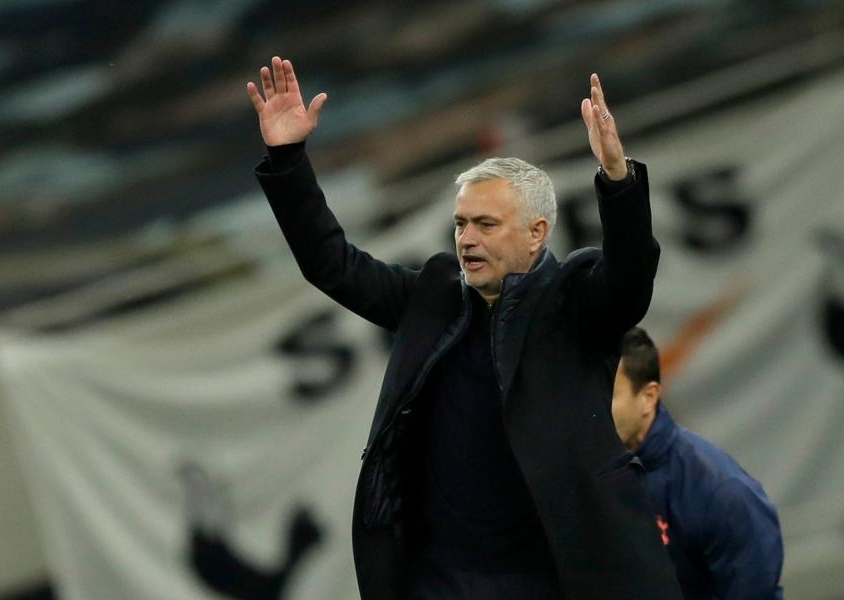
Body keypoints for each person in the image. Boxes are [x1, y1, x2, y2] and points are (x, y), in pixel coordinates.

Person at [247, 56, 681, 600]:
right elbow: (332, 264)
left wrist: (618, 180)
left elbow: (631, 277)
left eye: (485, 224)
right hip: (443, 581)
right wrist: (288, 159)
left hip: (557, 579)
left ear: (536, 233)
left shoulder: (576, 301)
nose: (466, 239)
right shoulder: (433, 297)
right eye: (460, 224)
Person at [611, 327, 785, 599]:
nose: (593, 405)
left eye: (609, 393)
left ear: (648, 397)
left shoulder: (722, 493)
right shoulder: (584, 476)